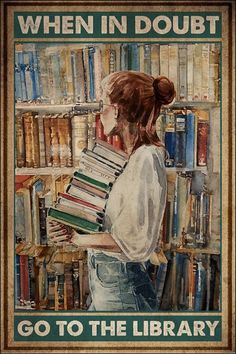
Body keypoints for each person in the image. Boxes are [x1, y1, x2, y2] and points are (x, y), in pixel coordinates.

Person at [71, 71, 176, 311]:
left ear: (118, 110)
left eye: (103, 106)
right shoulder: (132, 158)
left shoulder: (146, 159)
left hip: (122, 292)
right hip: (108, 289)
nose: (100, 113)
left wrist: (76, 239)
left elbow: (134, 243)